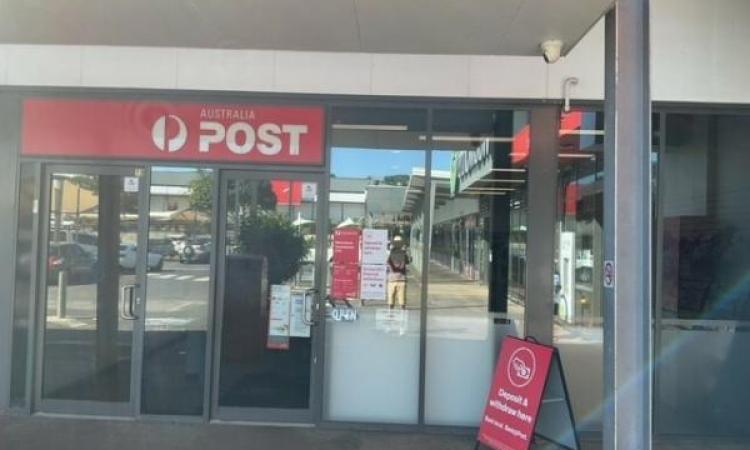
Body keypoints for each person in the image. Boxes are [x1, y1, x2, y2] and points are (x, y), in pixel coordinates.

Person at [387, 235, 410, 309]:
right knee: (402, 299)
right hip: (401, 279)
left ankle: (391, 312)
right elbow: (408, 261)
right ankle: (402, 311)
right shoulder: (403, 253)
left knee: (391, 299)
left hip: (392, 279)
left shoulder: (390, 253)